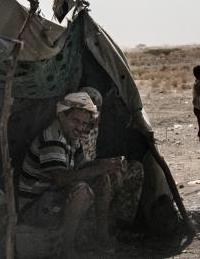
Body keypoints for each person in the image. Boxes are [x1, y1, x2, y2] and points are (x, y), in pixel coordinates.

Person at [17, 91, 125, 257]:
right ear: (61, 116)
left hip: (52, 197)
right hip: (35, 207)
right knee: (81, 191)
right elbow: (60, 178)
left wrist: (105, 165)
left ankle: (101, 237)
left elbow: (82, 166)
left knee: (102, 178)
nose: (80, 127)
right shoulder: (52, 138)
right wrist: (98, 168)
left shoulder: (72, 138)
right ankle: (67, 248)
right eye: (75, 120)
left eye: (84, 123)